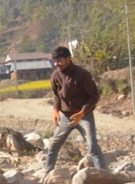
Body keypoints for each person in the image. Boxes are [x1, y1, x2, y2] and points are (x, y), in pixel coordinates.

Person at [45, 46, 107, 175]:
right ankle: (46, 175)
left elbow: (94, 96)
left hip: (84, 116)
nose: (57, 64)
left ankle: (105, 175)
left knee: (92, 147)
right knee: (53, 146)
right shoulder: (55, 75)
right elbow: (56, 95)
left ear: (68, 59)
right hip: (66, 117)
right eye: (54, 61)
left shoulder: (82, 74)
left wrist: (82, 112)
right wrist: (56, 110)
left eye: (60, 61)